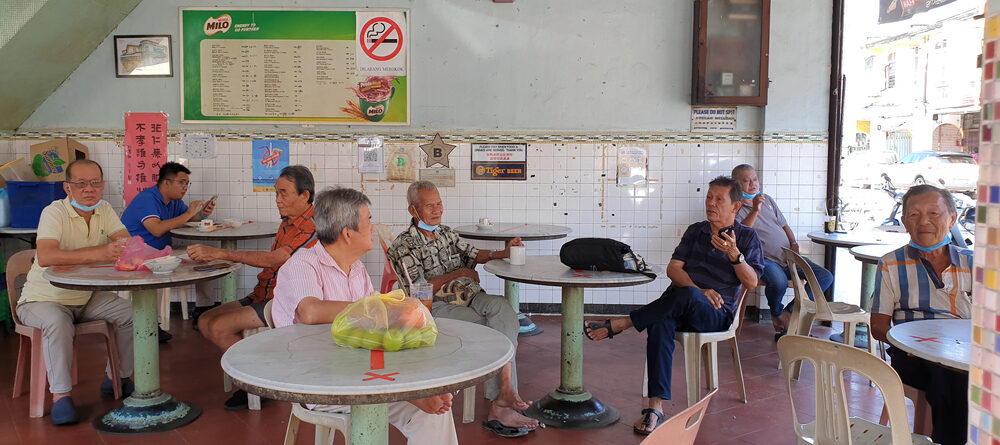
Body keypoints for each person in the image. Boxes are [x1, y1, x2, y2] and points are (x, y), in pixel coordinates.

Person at [272, 187, 458, 444]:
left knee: (434, 407)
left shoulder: (356, 269)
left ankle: (411, 392)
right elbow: (310, 311)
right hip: (318, 380)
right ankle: (408, 393)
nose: (373, 228)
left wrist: (402, 315)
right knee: (423, 400)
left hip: (357, 367)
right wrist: (374, 308)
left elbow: (375, 324)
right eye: (368, 221)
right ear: (347, 234)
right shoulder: (302, 264)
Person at [584, 176, 763, 436]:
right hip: (680, 304)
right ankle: (655, 408)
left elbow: (752, 282)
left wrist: (735, 255)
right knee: (662, 319)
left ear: (735, 206)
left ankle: (624, 322)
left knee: (684, 296)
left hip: (715, 313)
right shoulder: (696, 231)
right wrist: (699, 291)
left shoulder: (747, 237)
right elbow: (673, 269)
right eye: (709, 197)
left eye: (718, 199)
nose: (711, 203)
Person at [387, 180, 539, 438]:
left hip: (470, 295)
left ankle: (504, 394)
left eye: (439, 204)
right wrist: (459, 273)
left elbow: (472, 253)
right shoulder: (403, 246)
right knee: (493, 327)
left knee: (503, 310)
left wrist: (503, 252)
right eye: (429, 206)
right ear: (413, 210)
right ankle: (501, 404)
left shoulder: (446, 233)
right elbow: (420, 289)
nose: (437, 210)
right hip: (437, 306)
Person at [16, 159, 135, 425]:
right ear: (67, 187)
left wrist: (127, 248)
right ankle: (61, 397)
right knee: (58, 323)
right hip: (42, 299)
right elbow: (46, 256)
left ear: (103, 185)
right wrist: (100, 252)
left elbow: (124, 241)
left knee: (130, 313)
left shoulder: (104, 209)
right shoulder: (53, 212)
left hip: (85, 296)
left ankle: (117, 376)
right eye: (80, 183)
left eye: (95, 183)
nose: (89, 189)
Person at [190, 165, 318, 410]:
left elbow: (275, 260)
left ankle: (257, 382)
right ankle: (258, 368)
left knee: (218, 327)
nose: (277, 199)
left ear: (305, 195)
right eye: (276, 193)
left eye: (283, 193)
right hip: (263, 293)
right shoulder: (288, 222)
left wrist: (219, 253)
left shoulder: (311, 227)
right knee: (205, 320)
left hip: (282, 302)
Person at [871, 185, 971, 445]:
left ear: (952, 219)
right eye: (914, 215)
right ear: (904, 222)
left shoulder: (975, 263)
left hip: (967, 352)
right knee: (951, 378)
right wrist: (911, 343)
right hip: (913, 355)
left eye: (934, 213)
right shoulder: (890, 264)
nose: (924, 221)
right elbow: (878, 326)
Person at [731, 164, 833, 339]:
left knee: (824, 277)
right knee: (779, 281)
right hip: (762, 259)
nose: (753, 184)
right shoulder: (736, 207)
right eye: (747, 181)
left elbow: (784, 225)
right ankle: (777, 313)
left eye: (755, 179)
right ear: (736, 185)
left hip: (787, 256)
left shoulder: (768, 200)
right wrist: (755, 209)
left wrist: (793, 243)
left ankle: (789, 314)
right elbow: (742, 234)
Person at [120, 162, 216, 342]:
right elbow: (156, 229)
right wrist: (188, 214)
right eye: (182, 182)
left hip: (161, 253)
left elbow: (189, 219)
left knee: (203, 257)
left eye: (187, 183)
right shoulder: (147, 199)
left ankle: (203, 310)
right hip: (137, 256)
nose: (185, 187)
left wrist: (202, 214)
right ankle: (151, 325)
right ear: (166, 183)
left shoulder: (174, 201)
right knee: (155, 273)